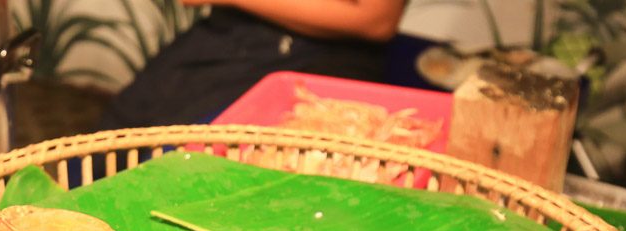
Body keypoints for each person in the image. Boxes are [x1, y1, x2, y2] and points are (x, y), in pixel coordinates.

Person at [98, 0, 407, 129]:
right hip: (230, 35)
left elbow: (375, 19)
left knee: (184, 154)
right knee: (120, 127)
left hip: (328, 56)